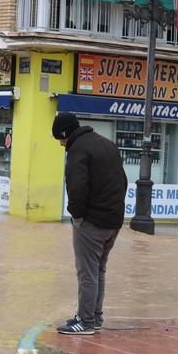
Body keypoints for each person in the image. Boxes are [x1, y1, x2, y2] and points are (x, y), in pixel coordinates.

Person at [51, 112, 128, 335]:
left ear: (65, 134)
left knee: (87, 273)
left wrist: (77, 216)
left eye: (60, 139)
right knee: (99, 270)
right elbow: (122, 181)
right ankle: (94, 317)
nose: (60, 144)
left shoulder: (77, 150)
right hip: (114, 221)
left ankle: (84, 322)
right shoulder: (107, 144)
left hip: (91, 222)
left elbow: (77, 188)